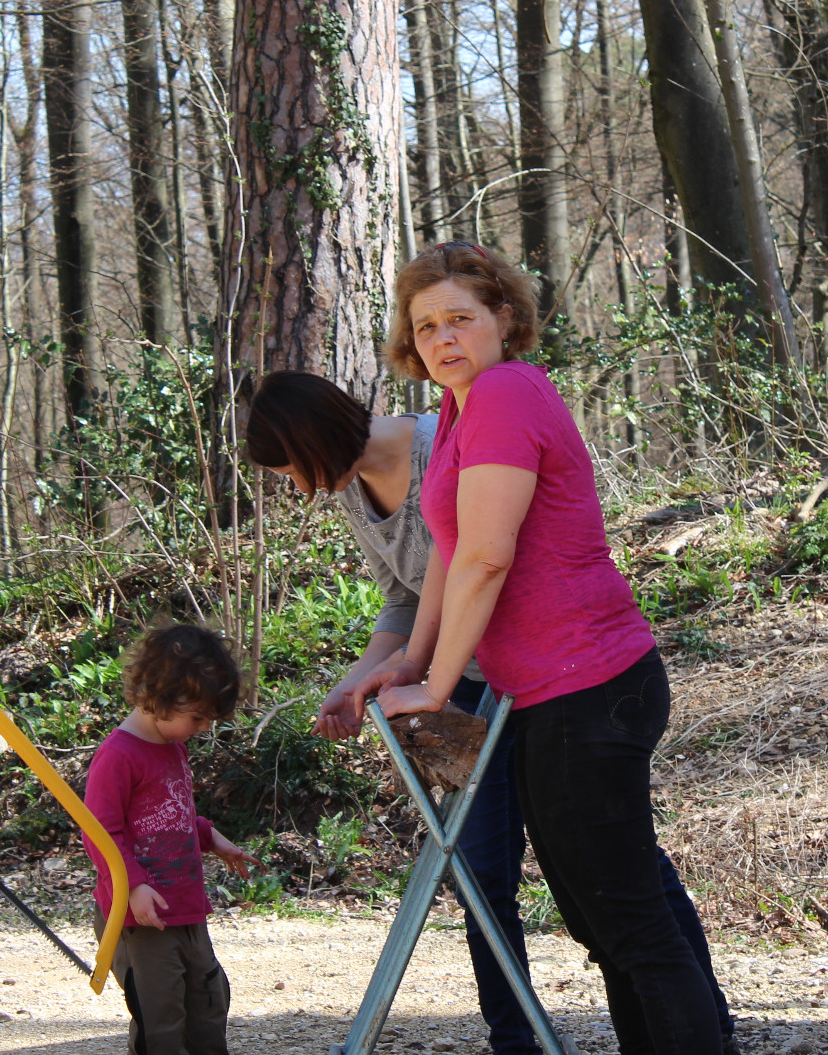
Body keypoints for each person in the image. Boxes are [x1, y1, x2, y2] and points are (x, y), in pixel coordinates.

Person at [244, 370, 739, 1055]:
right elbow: (408, 596)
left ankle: (709, 1023)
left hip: (540, 680)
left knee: (620, 882)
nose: (300, 488)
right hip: (467, 687)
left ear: (313, 441)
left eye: (293, 471)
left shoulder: (445, 443)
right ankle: (516, 1039)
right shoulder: (354, 489)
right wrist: (362, 678)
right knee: (486, 870)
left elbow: (481, 561)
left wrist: (427, 677)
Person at [362, 240, 724, 1055]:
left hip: (590, 684)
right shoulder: (459, 411)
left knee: (629, 922)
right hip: (546, 695)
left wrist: (437, 687)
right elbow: (450, 551)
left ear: (505, 317)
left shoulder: (505, 392)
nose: (443, 337)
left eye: (461, 317)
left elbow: (488, 556)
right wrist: (413, 659)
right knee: (607, 923)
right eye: (426, 325)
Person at [82, 624, 258, 1055]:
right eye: (197, 717)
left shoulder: (172, 746)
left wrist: (211, 837)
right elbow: (100, 832)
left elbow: (171, 811)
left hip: (186, 907)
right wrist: (133, 887)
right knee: (161, 1017)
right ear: (159, 696)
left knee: (208, 1002)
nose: (203, 727)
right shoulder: (118, 755)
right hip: (141, 918)